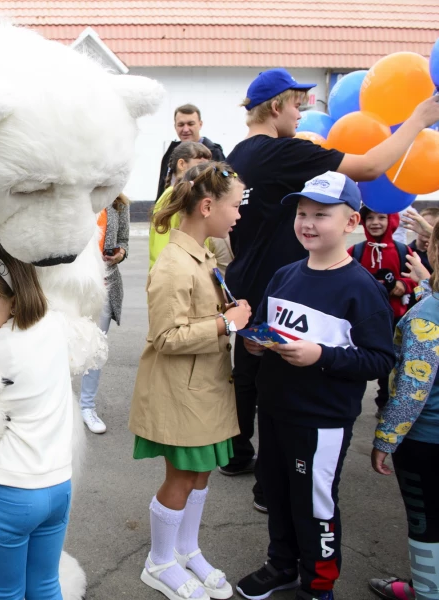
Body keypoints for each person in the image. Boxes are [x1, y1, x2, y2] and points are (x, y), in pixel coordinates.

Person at [221, 69, 439, 513]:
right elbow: (372, 167)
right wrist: (418, 118)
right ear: (277, 106)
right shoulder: (281, 153)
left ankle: (254, 467)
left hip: (252, 287)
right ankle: (284, 491)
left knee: (254, 385)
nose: (302, 114)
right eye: (298, 105)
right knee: (291, 394)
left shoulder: (239, 154)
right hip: (286, 292)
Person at [235, 172, 395, 600]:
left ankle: (319, 583)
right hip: (273, 408)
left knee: (315, 505)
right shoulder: (285, 274)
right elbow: (269, 329)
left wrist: (321, 356)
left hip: (321, 420)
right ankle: (282, 565)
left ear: (351, 222)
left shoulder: (361, 288)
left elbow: (380, 359)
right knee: (278, 494)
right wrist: (255, 345)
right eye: (302, 213)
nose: (307, 222)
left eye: (321, 215)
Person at [130, 162, 250, 600]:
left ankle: (185, 549)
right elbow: (165, 337)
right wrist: (225, 325)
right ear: (206, 206)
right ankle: (158, 561)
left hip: (205, 389)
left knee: (201, 475)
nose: (238, 214)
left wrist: (234, 322)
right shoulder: (174, 265)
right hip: (182, 392)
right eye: (234, 206)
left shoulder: (204, 253)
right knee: (181, 477)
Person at [0, 246, 74, 600]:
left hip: (8, 493)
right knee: (46, 587)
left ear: (14, 300)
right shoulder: (52, 325)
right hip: (57, 488)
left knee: (5, 593)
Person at [368, 222, 439, 600]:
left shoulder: (427, 316)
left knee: (425, 523)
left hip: (425, 442)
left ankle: (428, 591)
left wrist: (385, 438)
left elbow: (414, 388)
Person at [349, 208, 416, 413]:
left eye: (381, 218)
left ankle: (385, 402)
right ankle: (351, 401)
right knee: (357, 361)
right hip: (361, 318)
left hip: (394, 317)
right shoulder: (355, 251)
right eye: (370, 218)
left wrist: (403, 285)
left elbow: (416, 277)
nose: (375, 222)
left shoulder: (403, 250)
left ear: (392, 220)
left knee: (391, 363)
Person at [80, 194, 130, 434]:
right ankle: (59, 405)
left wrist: (119, 254)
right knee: (60, 347)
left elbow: (124, 242)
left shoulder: (118, 203)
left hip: (105, 284)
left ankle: (86, 406)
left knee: (95, 349)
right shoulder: (75, 195)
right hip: (73, 287)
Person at [150, 141, 213, 269]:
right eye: (200, 165)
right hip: (173, 274)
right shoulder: (171, 196)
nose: (206, 171)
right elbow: (162, 245)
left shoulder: (193, 197)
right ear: (182, 164)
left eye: (208, 166)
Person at [156, 104, 227, 199]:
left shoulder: (214, 153)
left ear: (200, 124)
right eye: (181, 125)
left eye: (190, 124)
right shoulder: (170, 153)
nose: (185, 129)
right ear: (175, 126)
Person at [404, 207, 439, 272]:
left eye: (434, 228)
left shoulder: (436, 254)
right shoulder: (404, 251)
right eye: (423, 225)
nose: (425, 229)